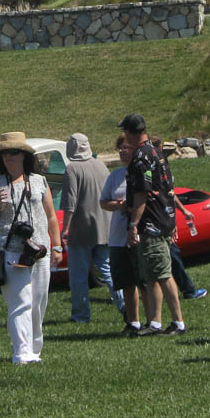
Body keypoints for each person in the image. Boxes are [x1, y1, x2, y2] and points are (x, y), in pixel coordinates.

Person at [0, 132, 63, 364]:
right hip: (10, 250)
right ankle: (21, 352)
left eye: (13, 152)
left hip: (39, 250)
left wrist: (57, 246)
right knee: (20, 302)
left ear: (24, 155)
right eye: (4, 153)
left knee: (38, 302)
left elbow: (51, 217)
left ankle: (35, 351)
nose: (8, 157)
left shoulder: (39, 181)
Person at [120, 113, 186, 335]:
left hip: (151, 223)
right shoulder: (156, 153)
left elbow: (141, 195)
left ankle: (178, 322)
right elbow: (169, 190)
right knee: (152, 274)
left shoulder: (140, 157)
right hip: (164, 219)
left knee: (163, 273)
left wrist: (133, 225)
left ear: (130, 133)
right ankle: (155, 322)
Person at [59, 133, 124, 323]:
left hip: (82, 229)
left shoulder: (72, 169)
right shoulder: (100, 164)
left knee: (78, 274)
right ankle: (125, 306)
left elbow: (70, 202)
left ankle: (80, 315)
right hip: (104, 226)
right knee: (109, 270)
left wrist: (66, 228)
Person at [149, 136, 207, 301]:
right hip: (161, 219)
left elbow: (170, 195)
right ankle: (188, 290)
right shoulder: (160, 168)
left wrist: (183, 211)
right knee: (172, 255)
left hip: (159, 218)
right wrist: (178, 214)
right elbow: (169, 195)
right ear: (159, 149)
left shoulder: (152, 167)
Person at [100, 133, 146, 336]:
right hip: (118, 235)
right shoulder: (115, 176)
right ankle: (133, 321)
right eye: (120, 148)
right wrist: (119, 205)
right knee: (126, 282)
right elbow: (103, 202)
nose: (121, 151)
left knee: (145, 281)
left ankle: (154, 321)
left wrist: (133, 208)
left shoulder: (143, 172)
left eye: (126, 147)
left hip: (140, 235)